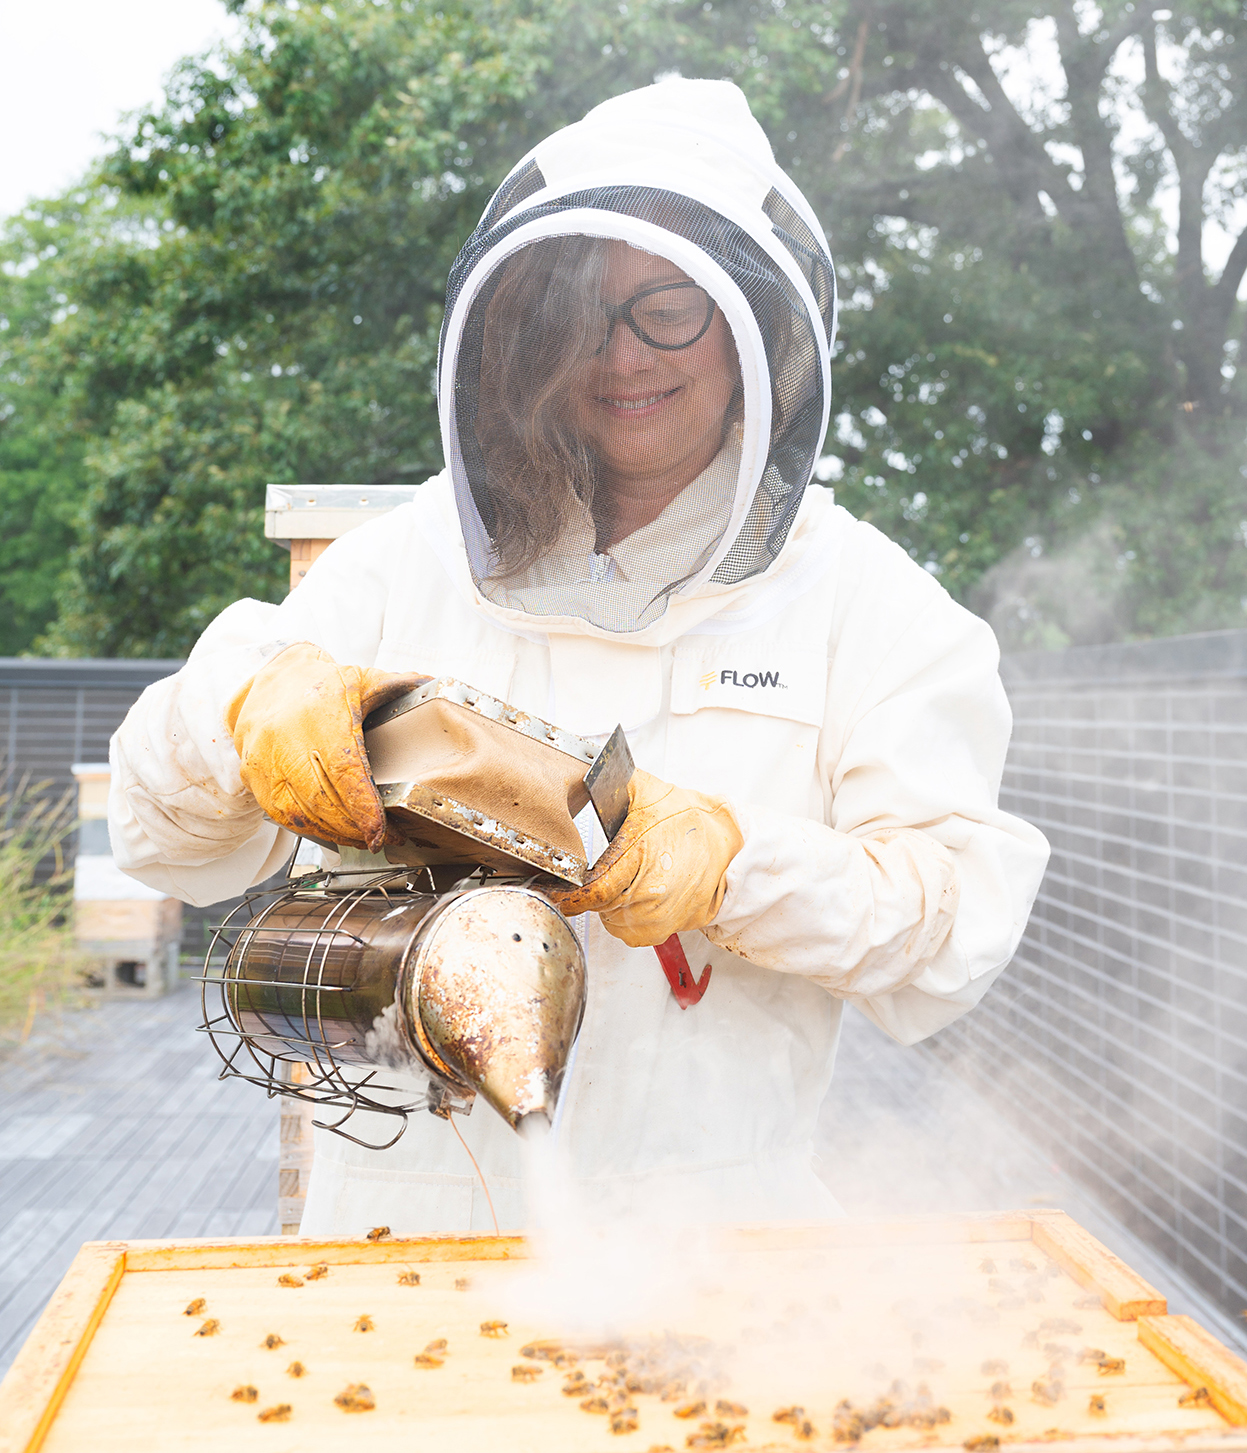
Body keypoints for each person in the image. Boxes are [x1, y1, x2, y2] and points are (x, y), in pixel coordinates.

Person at [109, 78, 1050, 1234]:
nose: (618, 355)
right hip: (393, 1244)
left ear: (761, 325)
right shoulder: (408, 559)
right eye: (577, 311)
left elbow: (952, 936)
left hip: (721, 1254)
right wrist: (237, 713)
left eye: (667, 306)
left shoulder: (873, 607)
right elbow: (162, 845)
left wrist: (734, 868)